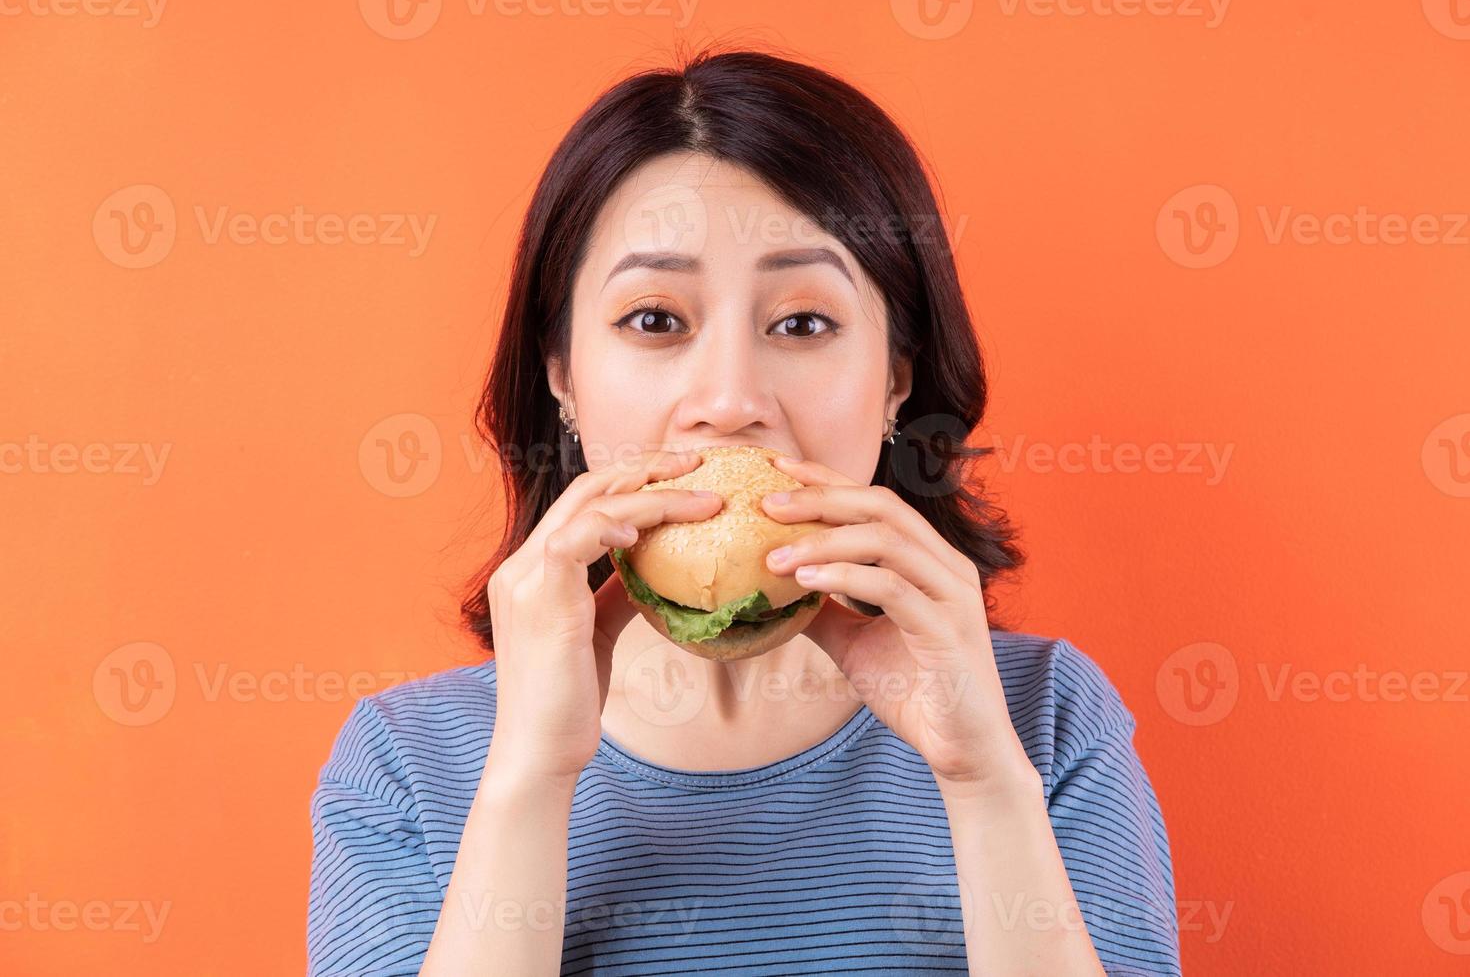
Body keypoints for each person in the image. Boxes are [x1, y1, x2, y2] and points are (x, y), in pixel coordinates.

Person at [307, 47, 1181, 976]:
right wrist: (531, 778)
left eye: (802, 323)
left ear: (898, 378)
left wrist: (984, 783)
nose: (729, 400)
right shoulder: (408, 762)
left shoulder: (1042, 719)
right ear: (561, 373)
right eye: (655, 320)